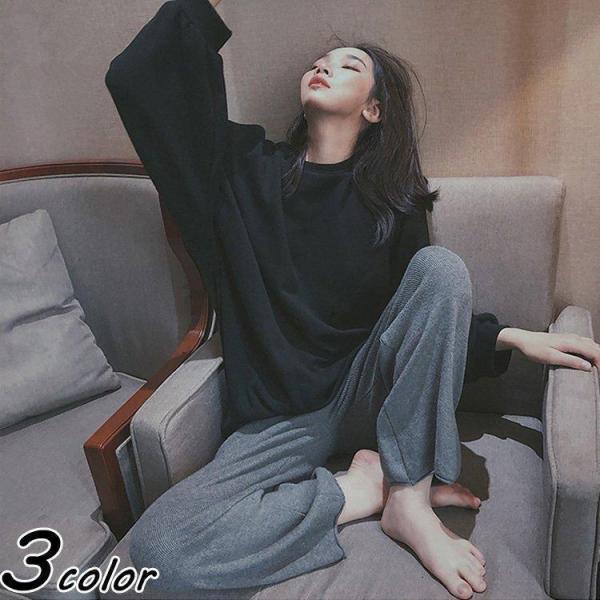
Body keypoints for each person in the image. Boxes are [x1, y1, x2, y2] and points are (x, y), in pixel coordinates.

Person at [104, 1, 600, 598]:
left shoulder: (394, 201)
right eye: (320, 60)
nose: (325, 66)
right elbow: (135, 80)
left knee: (439, 268)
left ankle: (409, 497)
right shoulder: (239, 171)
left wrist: (509, 337)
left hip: (368, 394)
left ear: (374, 108)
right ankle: (366, 490)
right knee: (159, 555)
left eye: (349, 65)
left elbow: (419, 318)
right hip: (281, 416)